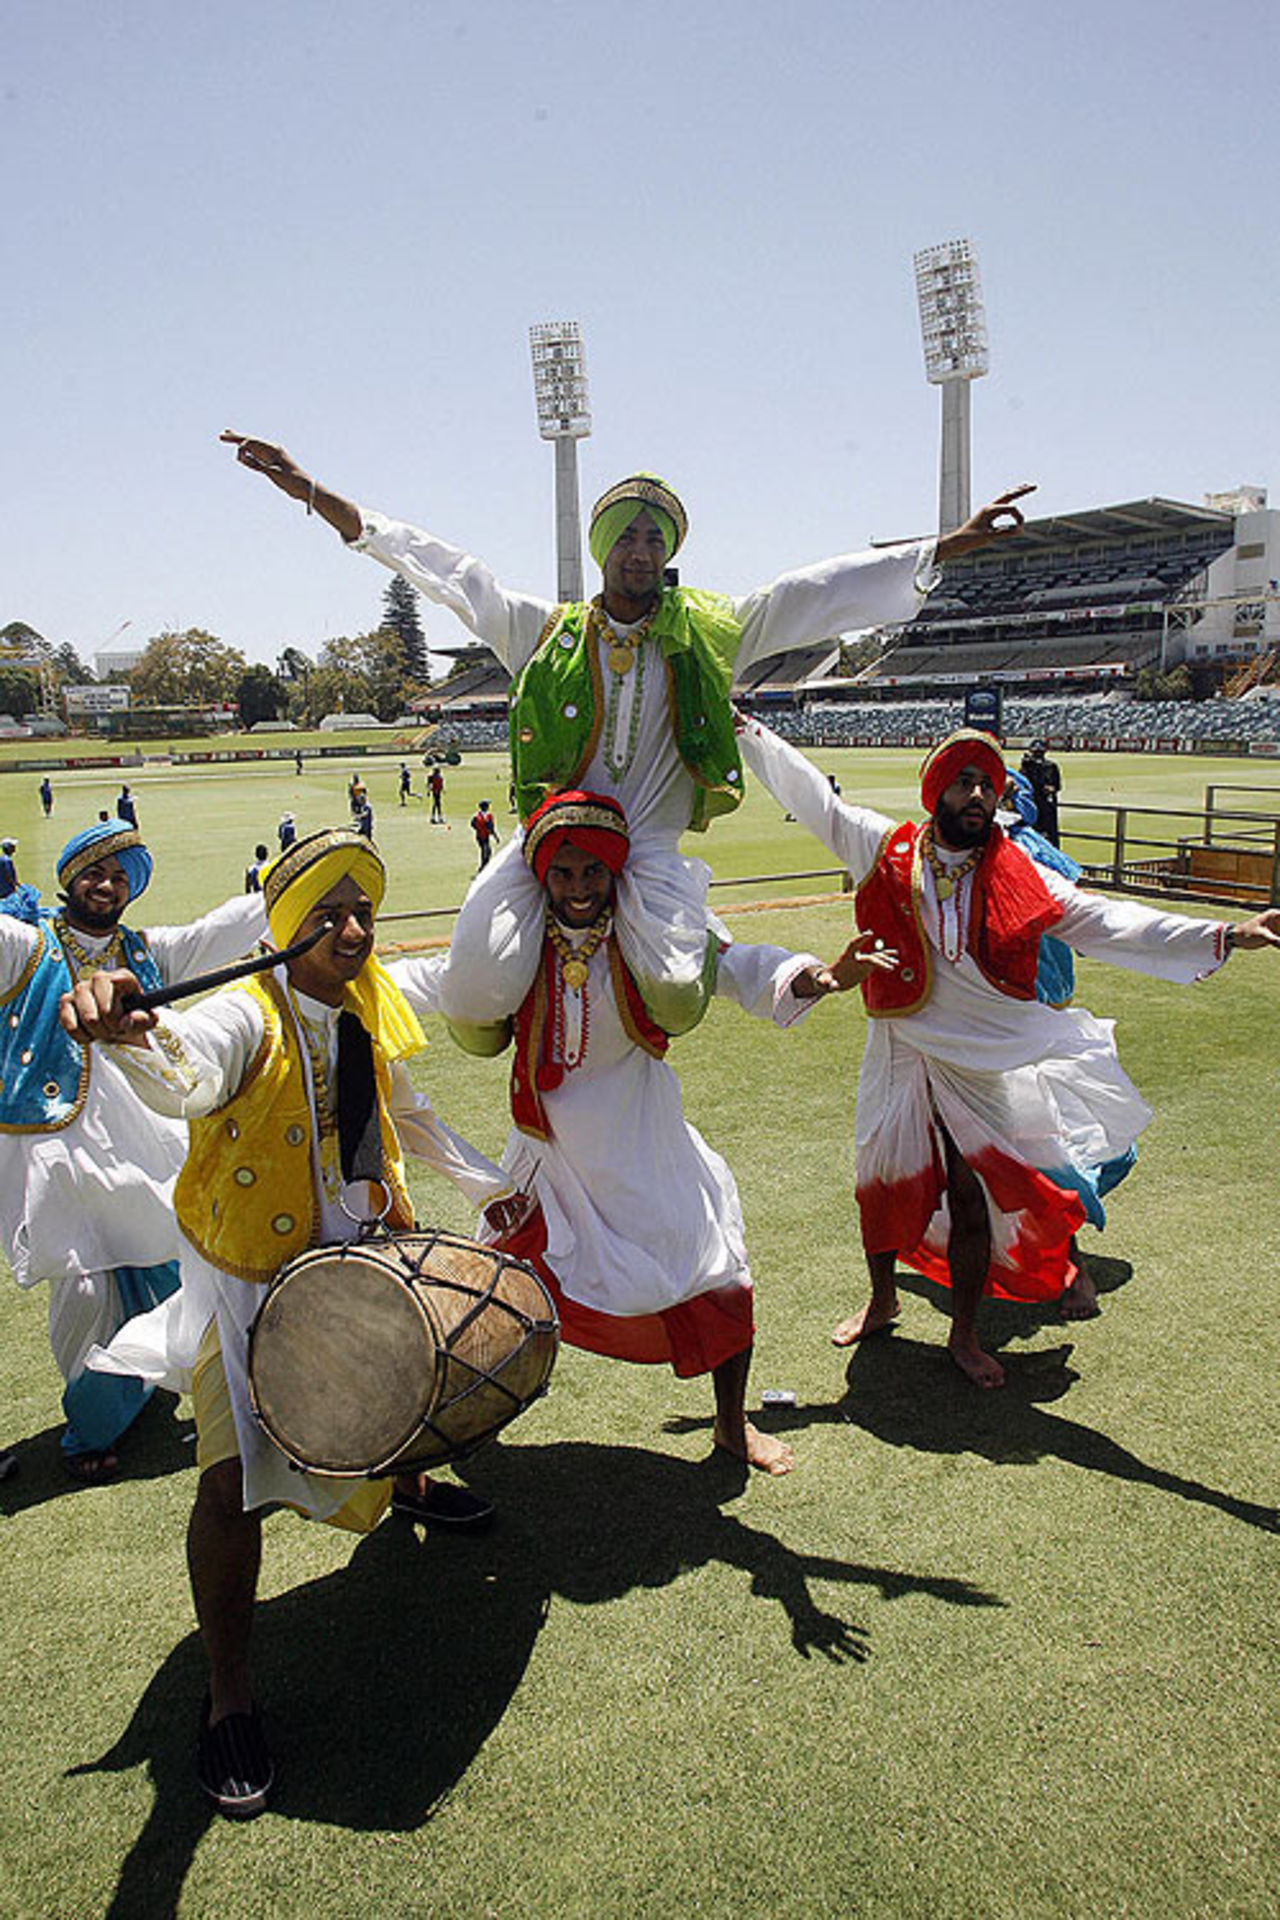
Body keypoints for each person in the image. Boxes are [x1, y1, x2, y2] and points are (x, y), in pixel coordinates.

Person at [221, 432, 1029, 1038]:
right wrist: (313, 493)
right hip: (548, 837)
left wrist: (945, 547)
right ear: (603, 547)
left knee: (677, 996)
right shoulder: (547, 630)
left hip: (644, 844)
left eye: (656, 539)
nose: (642, 553)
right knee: (474, 1001)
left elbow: (809, 593)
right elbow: (446, 573)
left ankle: (705, 941)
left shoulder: (709, 632)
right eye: (628, 537)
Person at [60, 827, 524, 1817]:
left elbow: (407, 1111)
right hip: (250, 1287)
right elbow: (192, 1063)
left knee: (405, 1366)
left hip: (364, 1248)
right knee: (229, 1488)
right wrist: (134, 1031)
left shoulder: (367, 999)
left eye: (362, 910)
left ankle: (410, 1480)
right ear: (283, 922)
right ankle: (228, 1695)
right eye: (326, 912)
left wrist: (488, 1189)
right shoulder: (244, 1011)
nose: (351, 929)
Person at [737, 716, 1280, 1388]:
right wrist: (746, 732)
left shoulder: (1019, 872)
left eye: (988, 785)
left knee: (971, 1199)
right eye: (963, 781)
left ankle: (963, 1335)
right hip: (901, 1043)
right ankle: (883, 1299)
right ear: (937, 791)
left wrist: (1224, 932)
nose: (977, 794)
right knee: (879, 1179)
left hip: (984, 1058)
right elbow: (815, 797)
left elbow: (1109, 920)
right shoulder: (884, 847)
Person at [393, 790, 888, 1476]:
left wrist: (821, 976)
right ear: (542, 875)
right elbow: (446, 981)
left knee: (714, 1269)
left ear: (616, 871)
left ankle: (729, 1425)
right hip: (548, 1150)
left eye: (592, 872)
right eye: (562, 874)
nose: (577, 889)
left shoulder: (650, 929)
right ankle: (471, 1419)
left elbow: (734, 965)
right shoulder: (514, 945)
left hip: (641, 1135)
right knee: (496, 1285)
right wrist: (355, 978)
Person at [0, 817, 268, 1477]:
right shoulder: (25, 946)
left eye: (121, 875)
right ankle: (91, 1431)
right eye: (95, 871)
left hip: (147, 1153)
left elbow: (217, 932)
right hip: (60, 1151)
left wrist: (297, 882)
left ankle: (130, 1386)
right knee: (87, 1292)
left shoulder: (146, 953)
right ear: (69, 879)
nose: (107, 884)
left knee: (171, 1271)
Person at [1019, 740, 1062, 847]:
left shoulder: (1051, 766)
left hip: (1047, 806)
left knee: (1050, 835)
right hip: (1033, 805)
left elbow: (1057, 786)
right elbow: (1022, 784)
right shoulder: (1027, 767)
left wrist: (1050, 789)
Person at [471, 799, 499, 870]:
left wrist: (479, 829)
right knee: (487, 851)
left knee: (484, 850)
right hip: (484, 836)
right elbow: (491, 828)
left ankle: (484, 865)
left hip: (479, 836)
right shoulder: (488, 816)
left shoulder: (477, 816)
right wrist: (496, 837)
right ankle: (484, 866)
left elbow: (472, 824)